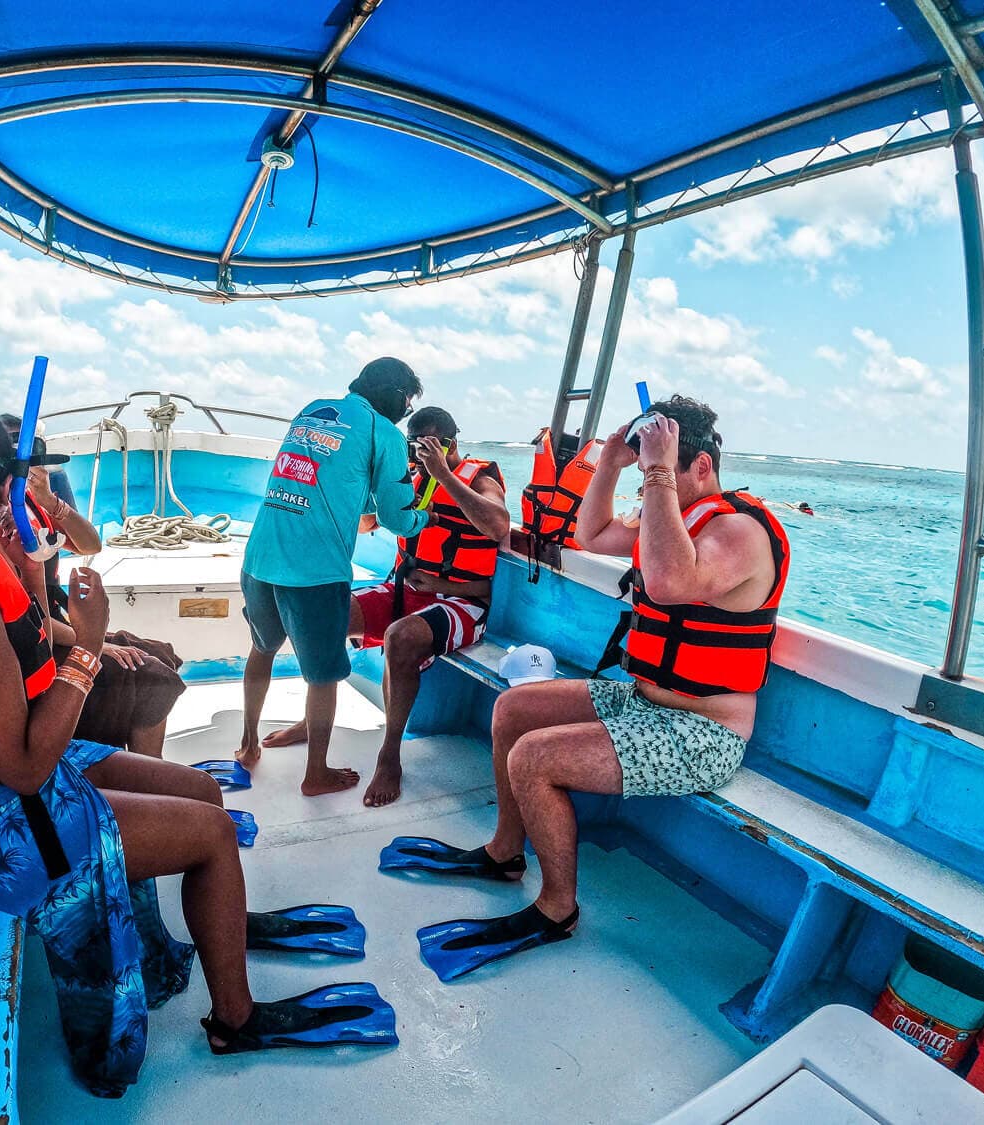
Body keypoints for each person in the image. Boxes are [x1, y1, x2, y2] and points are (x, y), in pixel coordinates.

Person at [0, 389, 382, 1095]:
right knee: (211, 833)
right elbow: (24, 766)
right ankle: (236, 1016)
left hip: (9, 784)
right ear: (6, 488)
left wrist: (43, 590)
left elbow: (22, 664)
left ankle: (224, 919)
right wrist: (94, 644)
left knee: (201, 791)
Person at [396, 395, 790, 980]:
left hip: (703, 731)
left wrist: (656, 470)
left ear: (700, 466)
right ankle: (505, 854)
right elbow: (594, 532)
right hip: (644, 699)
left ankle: (557, 909)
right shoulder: (675, 520)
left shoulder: (737, 530)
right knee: (513, 709)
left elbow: (669, 579)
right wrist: (609, 462)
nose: (653, 480)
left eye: (668, 467)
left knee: (535, 758)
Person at [259, 407, 510, 808]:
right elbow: (365, 524)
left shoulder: (480, 480)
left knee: (400, 638)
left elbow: (498, 526)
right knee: (324, 620)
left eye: (433, 445)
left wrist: (443, 474)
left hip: (462, 600)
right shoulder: (412, 479)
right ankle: (312, 720)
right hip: (403, 589)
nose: (423, 453)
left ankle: (389, 754)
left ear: (452, 443)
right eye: (416, 445)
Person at [236, 358, 432, 795]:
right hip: (314, 572)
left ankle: (248, 745)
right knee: (323, 675)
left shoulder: (312, 410)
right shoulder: (387, 435)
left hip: (260, 557)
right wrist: (425, 517)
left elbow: (328, 479)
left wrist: (361, 513)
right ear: (400, 399)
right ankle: (316, 774)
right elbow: (397, 519)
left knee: (262, 648)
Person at [1, 413, 187, 758]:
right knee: (153, 676)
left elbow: (90, 545)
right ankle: (149, 773)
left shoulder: (31, 508)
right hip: (35, 650)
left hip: (55, 628)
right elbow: (26, 624)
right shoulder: (1, 526)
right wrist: (95, 644)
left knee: (159, 652)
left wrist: (49, 502)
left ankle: (141, 764)